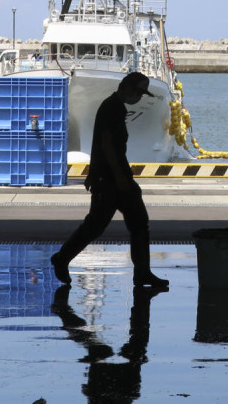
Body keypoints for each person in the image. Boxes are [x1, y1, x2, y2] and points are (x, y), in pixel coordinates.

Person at [51, 71, 169, 289]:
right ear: (127, 87)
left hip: (110, 176)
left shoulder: (112, 106)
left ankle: (142, 272)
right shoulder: (112, 108)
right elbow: (107, 145)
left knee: (135, 223)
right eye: (139, 92)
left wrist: (94, 173)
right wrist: (119, 178)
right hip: (113, 178)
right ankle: (62, 258)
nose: (140, 97)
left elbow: (98, 144)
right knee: (102, 225)